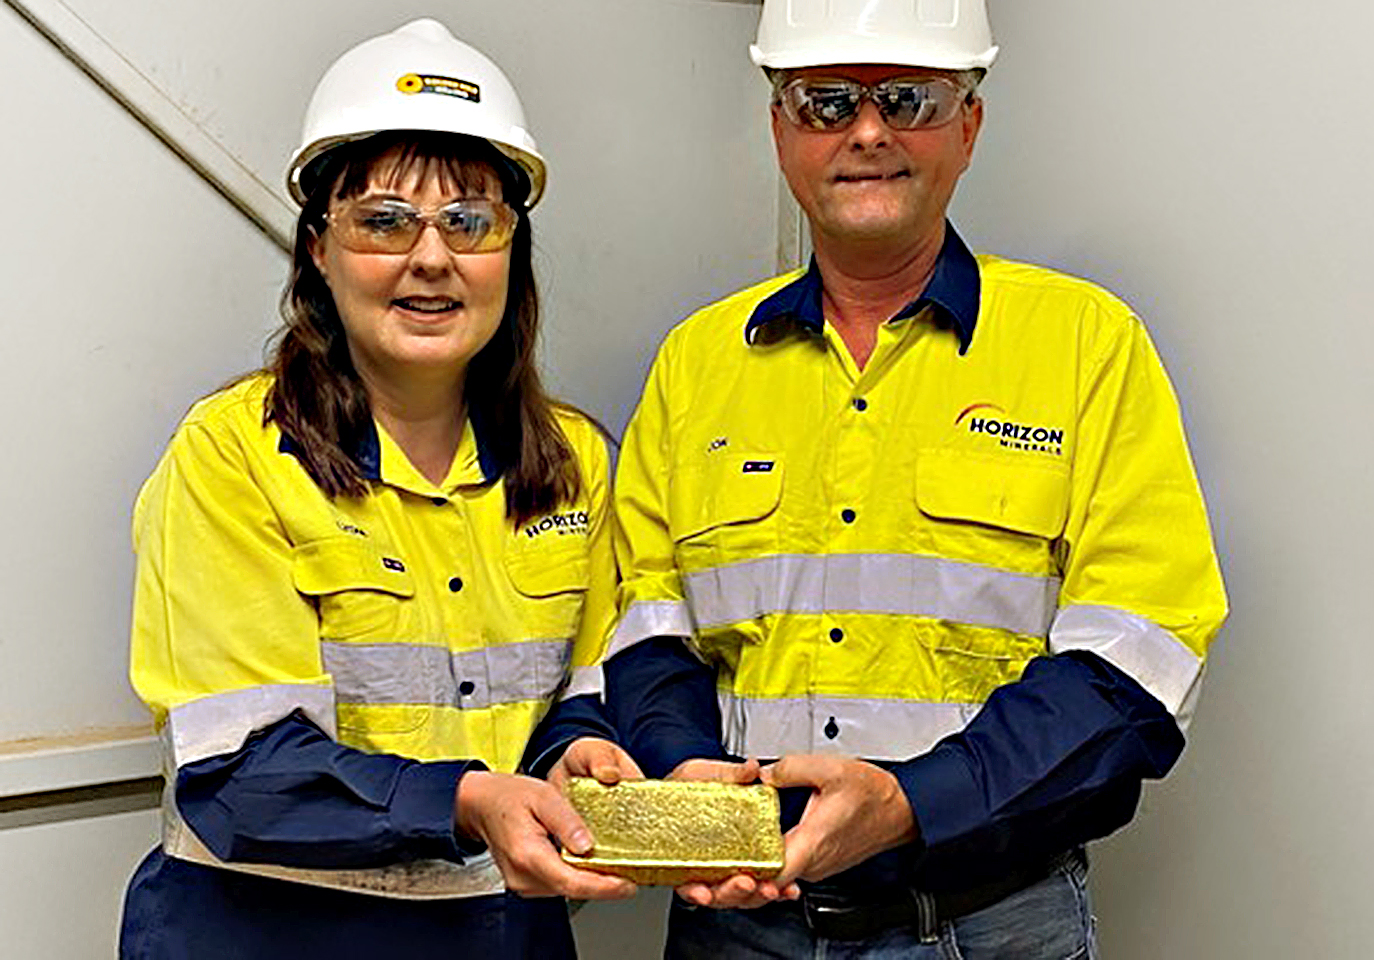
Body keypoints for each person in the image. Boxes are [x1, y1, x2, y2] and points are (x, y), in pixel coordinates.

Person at [602, 1, 1229, 957]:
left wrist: (910, 804)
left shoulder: (1087, 348)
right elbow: (645, 627)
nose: (867, 132)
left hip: (986, 926)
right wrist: (688, 777)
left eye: (908, 99)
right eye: (825, 103)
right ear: (779, 130)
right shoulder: (697, 365)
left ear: (968, 126)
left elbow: (1138, 663)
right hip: (737, 929)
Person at [118, 19, 640, 960]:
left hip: (500, 937)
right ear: (319, 249)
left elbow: (580, 692)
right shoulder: (233, 458)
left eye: (469, 221)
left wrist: (578, 753)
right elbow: (241, 774)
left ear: (512, 250)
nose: (431, 258)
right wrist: (470, 800)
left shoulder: (573, 462)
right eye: (384, 221)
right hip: (267, 939)